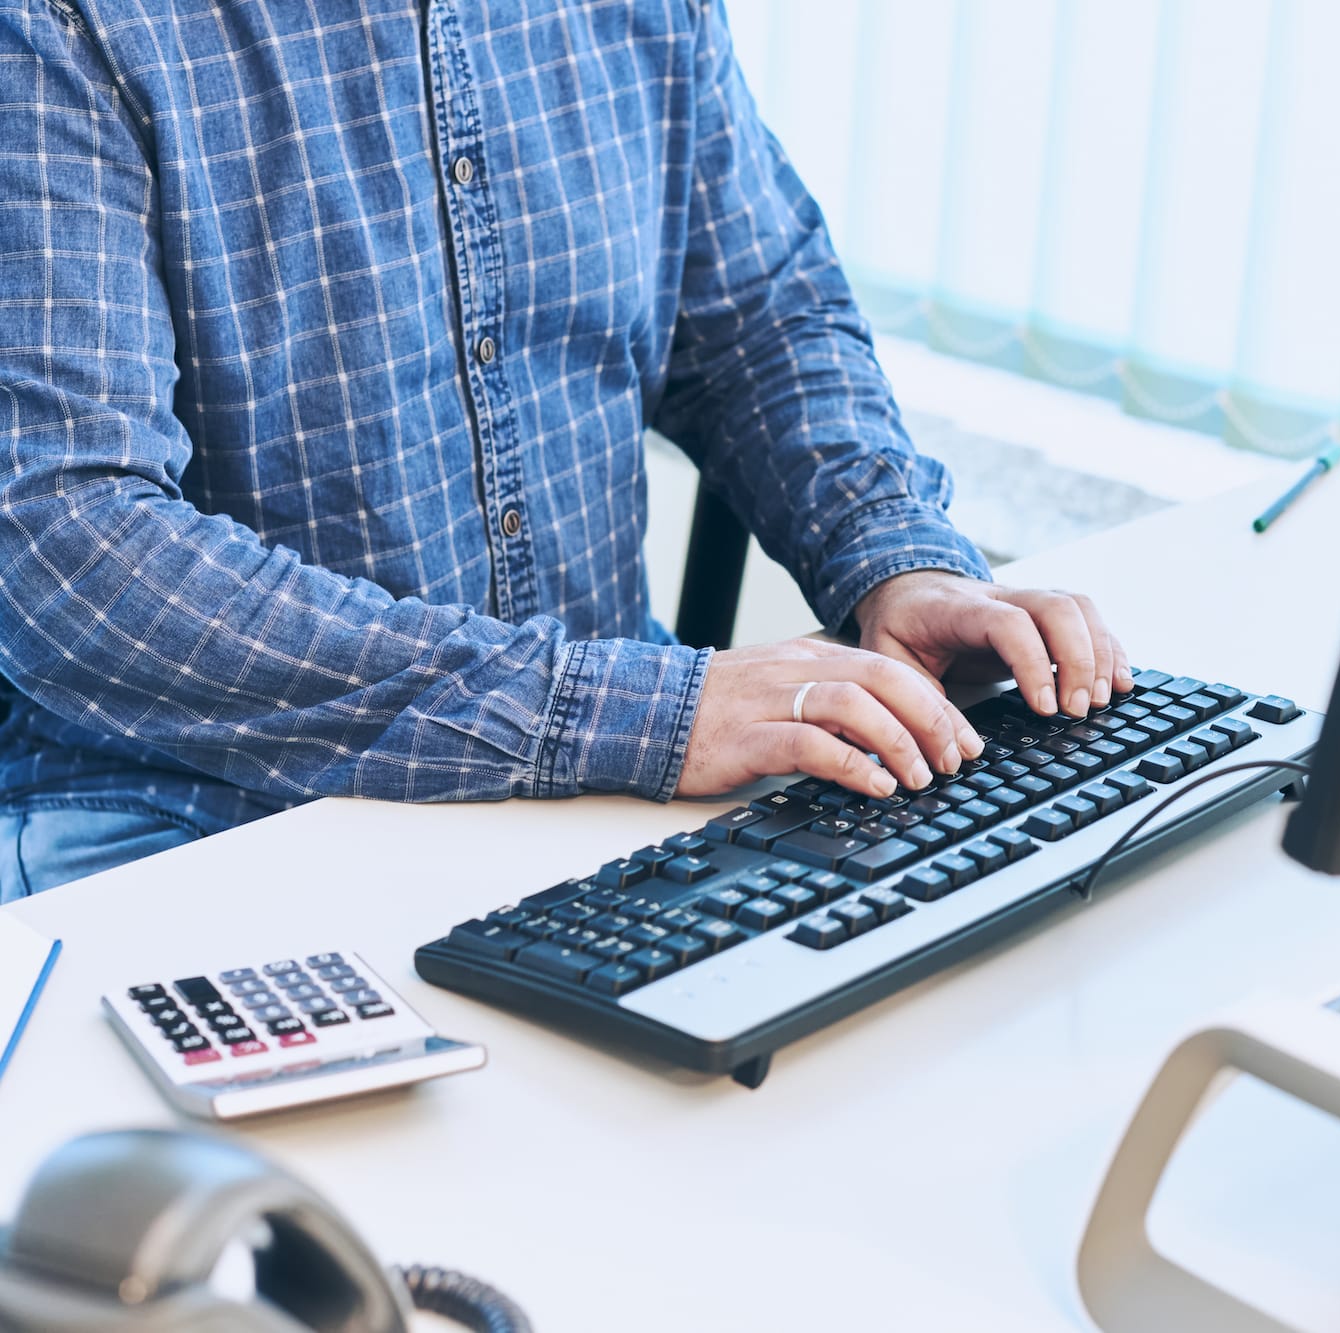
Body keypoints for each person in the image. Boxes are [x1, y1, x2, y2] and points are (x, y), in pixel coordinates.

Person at [0, 0, 1130, 899]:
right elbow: (65, 547)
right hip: (190, 809)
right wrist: (634, 713)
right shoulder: (59, 26)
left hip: (604, 771)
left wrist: (894, 558)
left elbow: (752, 313)